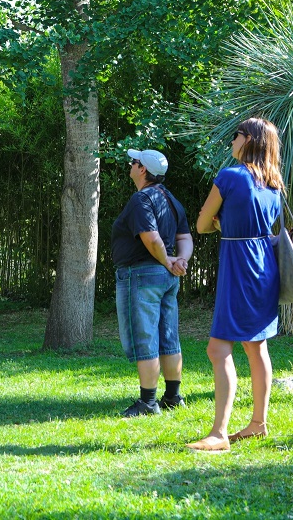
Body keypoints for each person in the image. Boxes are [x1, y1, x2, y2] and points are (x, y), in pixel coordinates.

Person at [186, 118, 284, 452]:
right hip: (265, 266)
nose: (232, 141)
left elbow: (201, 225)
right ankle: (258, 423)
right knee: (256, 347)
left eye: (235, 135)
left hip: (239, 266)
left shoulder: (230, 177)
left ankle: (219, 433)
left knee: (218, 348)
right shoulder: (274, 184)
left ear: (249, 140)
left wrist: (217, 222)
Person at [112, 149, 193, 417]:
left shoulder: (141, 199)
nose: (130, 165)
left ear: (142, 169)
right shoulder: (171, 199)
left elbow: (151, 238)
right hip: (167, 278)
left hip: (142, 275)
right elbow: (185, 238)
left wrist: (168, 260)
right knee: (168, 336)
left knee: (144, 336)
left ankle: (148, 402)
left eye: (134, 162)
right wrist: (179, 261)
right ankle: (173, 396)